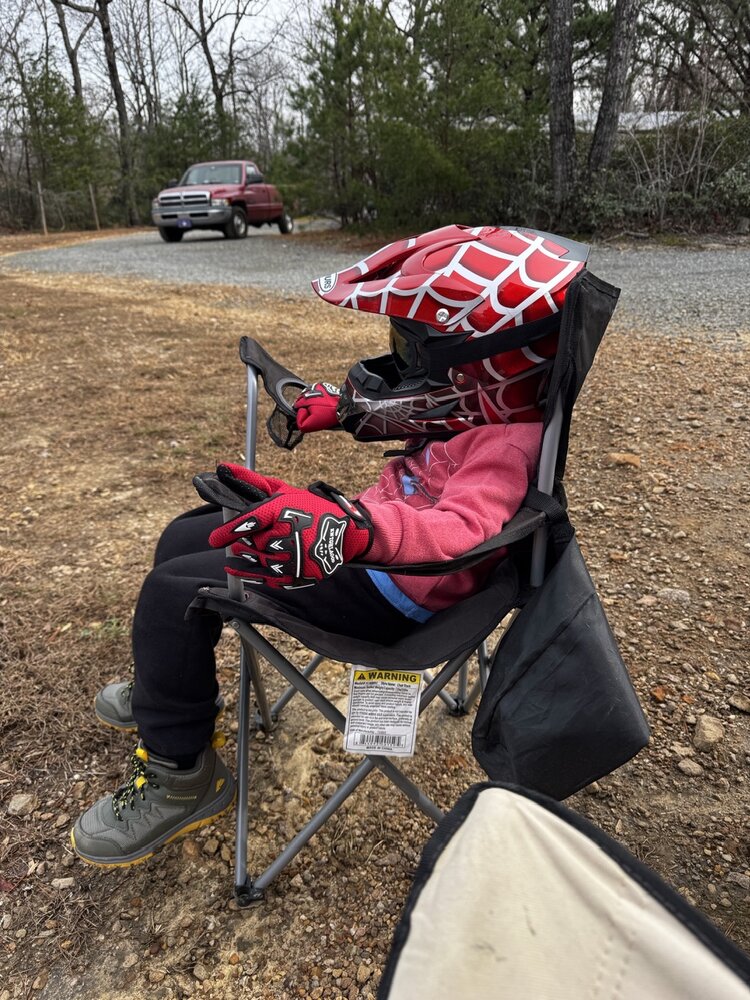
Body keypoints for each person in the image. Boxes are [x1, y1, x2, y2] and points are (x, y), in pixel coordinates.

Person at [71, 224, 589, 868]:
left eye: (415, 349)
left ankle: (182, 776)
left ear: (487, 363)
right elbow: (416, 407)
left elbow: (462, 530)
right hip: (366, 551)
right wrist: (341, 409)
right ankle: (166, 685)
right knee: (184, 534)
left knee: (171, 591)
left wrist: (352, 530)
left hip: (393, 591)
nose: (405, 360)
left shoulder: (509, 442)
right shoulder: (483, 407)